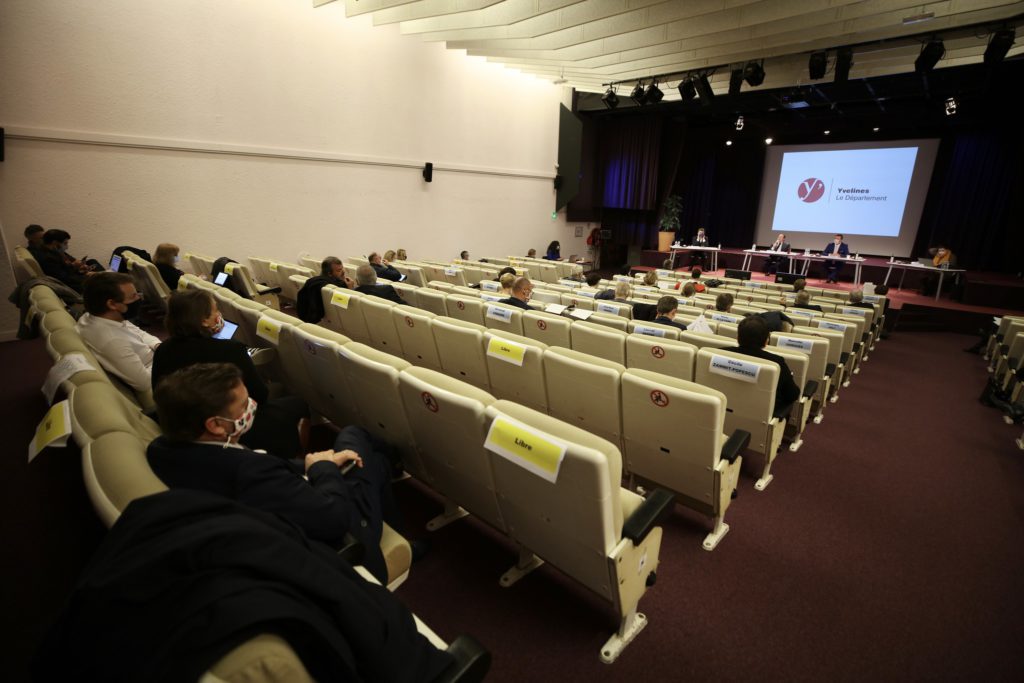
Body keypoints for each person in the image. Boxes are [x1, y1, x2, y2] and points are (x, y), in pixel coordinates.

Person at [147, 362, 405, 584]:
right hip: (340, 541)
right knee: (355, 438)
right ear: (215, 425)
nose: (253, 405)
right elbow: (334, 519)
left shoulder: (163, 450)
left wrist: (312, 463)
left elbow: (267, 470)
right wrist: (323, 468)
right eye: (244, 404)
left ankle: (391, 481)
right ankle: (394, 475)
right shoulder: (249, 472)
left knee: (372, 461)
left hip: (291, 510)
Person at [152, 289, 309, 458]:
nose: (219, 315)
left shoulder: (163, 350)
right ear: (204, 320)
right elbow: (260, 395)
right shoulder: (230, 350)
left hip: (184, 428)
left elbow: (158, 391)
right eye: (215, 310)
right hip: (231, 427)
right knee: (297, 403)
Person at [76, 272, 161, 392]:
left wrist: (158, 346)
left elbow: (138, 332)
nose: (139, 298)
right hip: (161, 372)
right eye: (133, 296)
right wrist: (165, 358)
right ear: (112, 304)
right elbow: (145, 383)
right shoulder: (112, 341)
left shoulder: (97, 317)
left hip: (157, 358)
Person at [726, 316, 800, 415]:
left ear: (738, 338)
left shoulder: (719, 354)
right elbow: (792, 395)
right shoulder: (776, 362)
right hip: (761, 417)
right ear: (766, 341)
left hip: (723, 413)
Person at [297, 256, 354, 323]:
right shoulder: (338, 286)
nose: (343, 272)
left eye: (342, 269)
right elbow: (343, 304)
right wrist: (350, 289)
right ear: (329, 273)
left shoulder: (311, 281)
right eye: (339, 270)